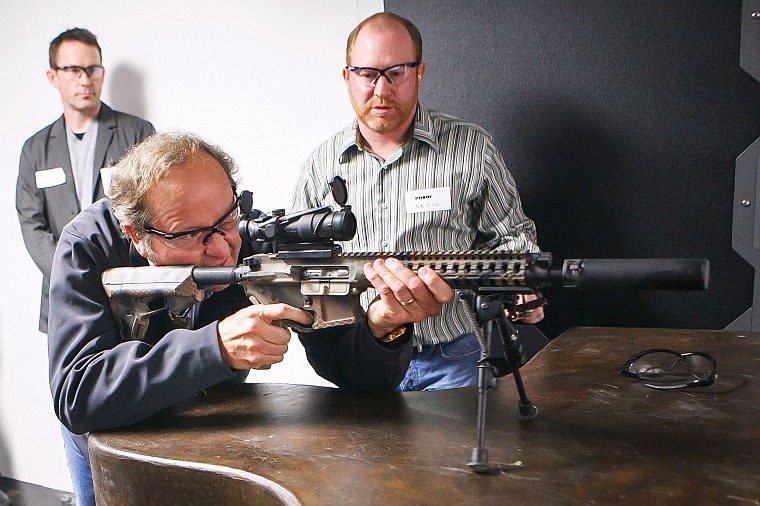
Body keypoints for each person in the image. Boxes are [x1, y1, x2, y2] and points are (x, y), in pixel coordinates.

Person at [47, 132, 453, 506]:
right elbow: (78, 394)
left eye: (228, 220)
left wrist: (383, 327)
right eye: (193, 235)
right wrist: (215, 346)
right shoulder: (89, 244)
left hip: (207, 443)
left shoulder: (258, 240)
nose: (223, 249)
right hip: (112, 441)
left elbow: (349, 370)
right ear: (138, 235)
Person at [292, 12, 545, 392]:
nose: (380, 89)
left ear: (419, 72)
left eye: (396, 72)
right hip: (365, 362)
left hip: (455, 359)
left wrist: (517, 286)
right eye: (367, 73)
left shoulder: (471, 148)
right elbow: (301, 268)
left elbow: (514, 238)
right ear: (347, 76)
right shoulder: (319, 166)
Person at [16, 27, 155, 334]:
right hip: (62, 297)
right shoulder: (36, 149)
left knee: (134, 378)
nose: (85, 79)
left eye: (93, 69)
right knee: (73, 381)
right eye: (73, 69)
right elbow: (32, 224)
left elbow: (152, 211)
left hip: (128, 292)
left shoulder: (137, 133)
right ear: (53, 76)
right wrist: (70, 276)